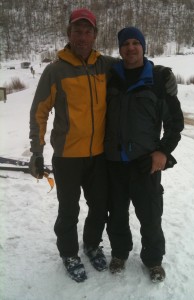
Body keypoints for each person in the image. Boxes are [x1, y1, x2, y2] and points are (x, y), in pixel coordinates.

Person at [29, 8, 178, 283]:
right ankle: (69, 253)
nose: (82, 36)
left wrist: (161, 73)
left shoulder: (104, 65)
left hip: (99, 155)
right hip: (68, 156)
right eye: (77, 31)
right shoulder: (55, 70)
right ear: (68, 34)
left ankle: (92, 244)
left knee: (100, 207)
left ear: (95, 35)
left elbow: (135, 61)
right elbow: (39, 111)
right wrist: (36, 151)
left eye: (88, 31)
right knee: (69, 210)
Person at [104, 27, 184, 283]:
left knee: (150, 215)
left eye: (135, 42)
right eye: (125, 43)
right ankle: (119, 254)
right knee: (116, 214)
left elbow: (175, 123)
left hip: (145, 163)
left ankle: (153, 260)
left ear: (143, 46)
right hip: (113, 162)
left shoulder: (158, 79)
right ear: (119, 49)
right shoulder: (110, 78)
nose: (130, 47)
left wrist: (162, 151)